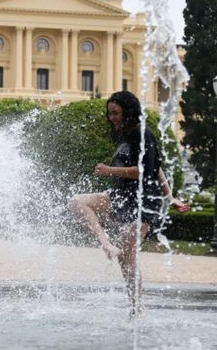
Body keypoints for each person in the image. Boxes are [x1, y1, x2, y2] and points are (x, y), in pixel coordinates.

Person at [71, 90, 188, 312]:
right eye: (110, 114)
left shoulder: (143, 134)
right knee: (78, 201)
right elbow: (159, 167)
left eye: (115, 113)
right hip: (121, 196)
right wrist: (171, 197)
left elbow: (149, 171)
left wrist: (110, 170)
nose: (112, 117)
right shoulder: (126, 134)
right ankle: (105, 243)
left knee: (127, 254)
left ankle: (136, 309)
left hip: (143, 203)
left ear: (128, 111)